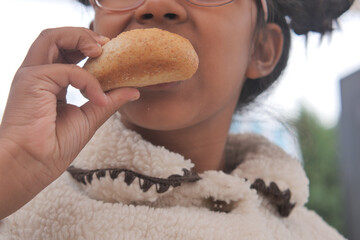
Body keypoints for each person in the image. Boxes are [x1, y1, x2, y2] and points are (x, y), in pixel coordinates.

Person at [0, 0, 353, 239]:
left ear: (261, 49)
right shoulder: (16, 205)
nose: (157, 6)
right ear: (96, 31)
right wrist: (15, 164)